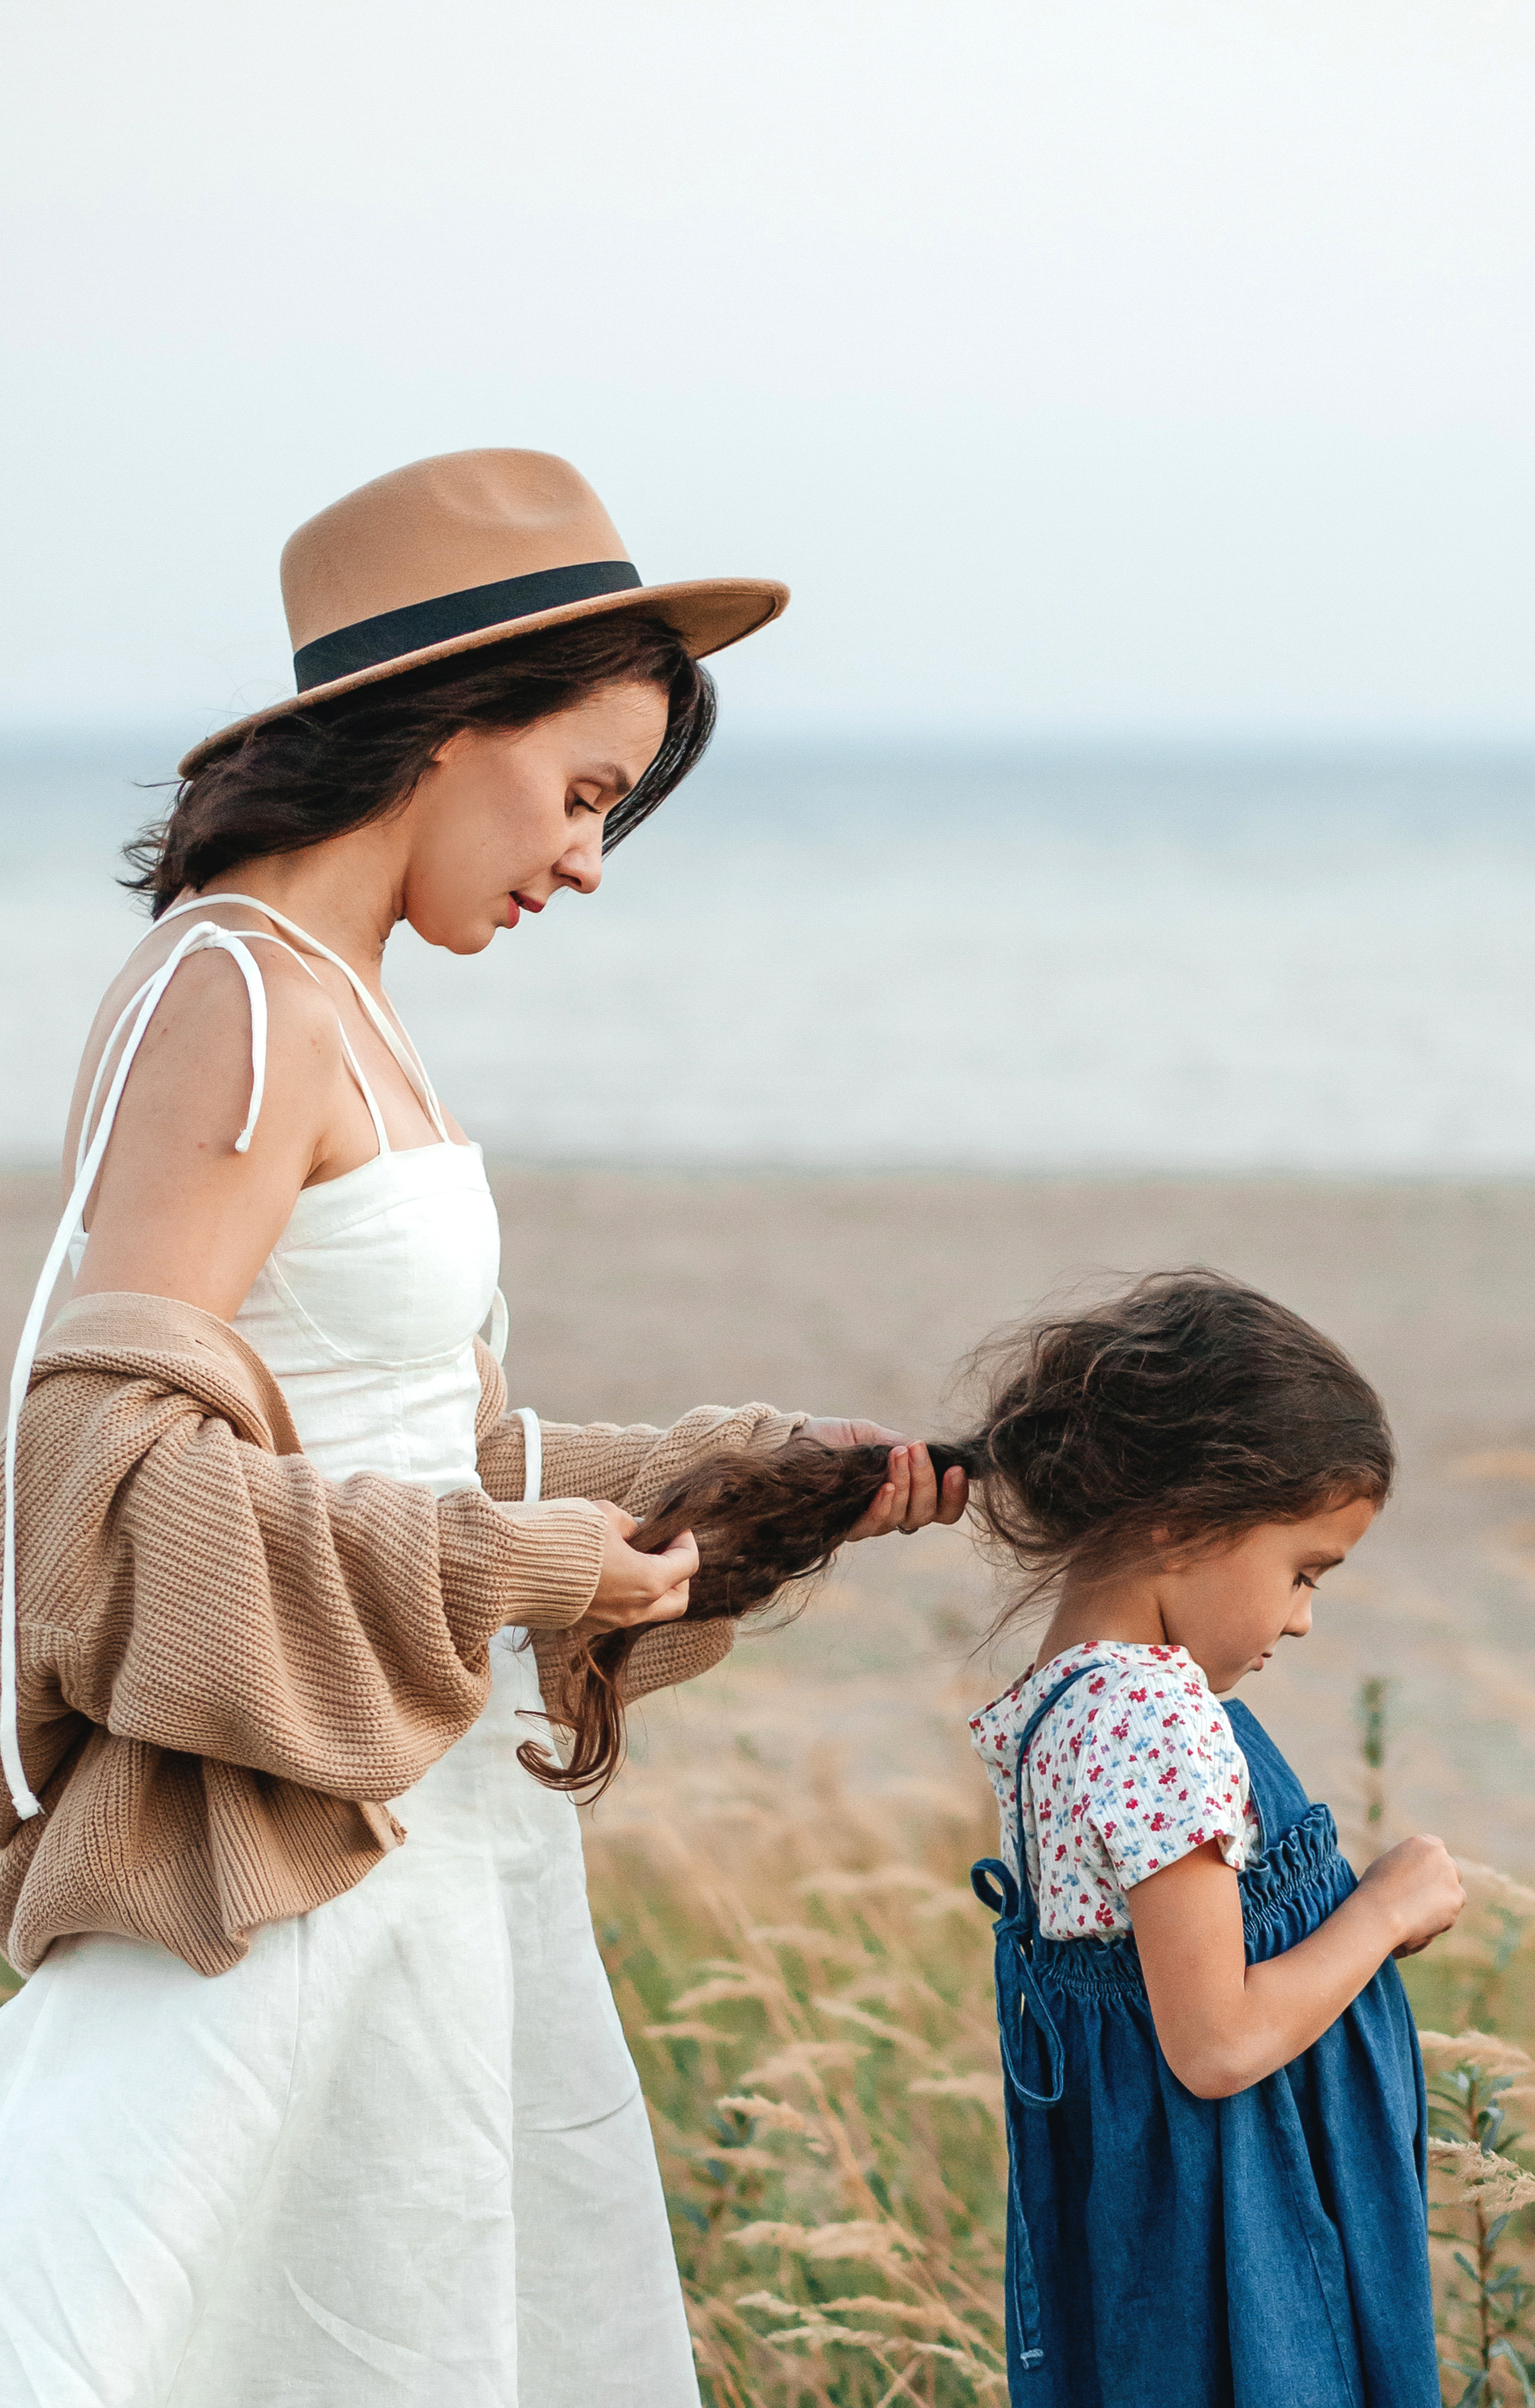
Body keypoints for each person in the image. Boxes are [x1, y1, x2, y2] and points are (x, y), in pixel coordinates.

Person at [0, 447, 966, 2408]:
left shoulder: (340, 996)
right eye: (587, 793)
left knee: (399, 2311)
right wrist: (521, 1565)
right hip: (286, 1827)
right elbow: (101, 1478)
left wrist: (748, 1472)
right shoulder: (239, 1001)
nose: (592, 861)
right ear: (447, 726)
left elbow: (423, 1441)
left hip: (421, 1809)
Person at [602, 1270, 1461, 2404]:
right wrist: (1383, 1911)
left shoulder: (1066, 1700)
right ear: (1184, 1522)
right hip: (1240, 2226)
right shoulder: (1155, 1716)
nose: (1303, 1616)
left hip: (1144, 2226)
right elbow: (1216, 2043)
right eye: (1303, 1571)